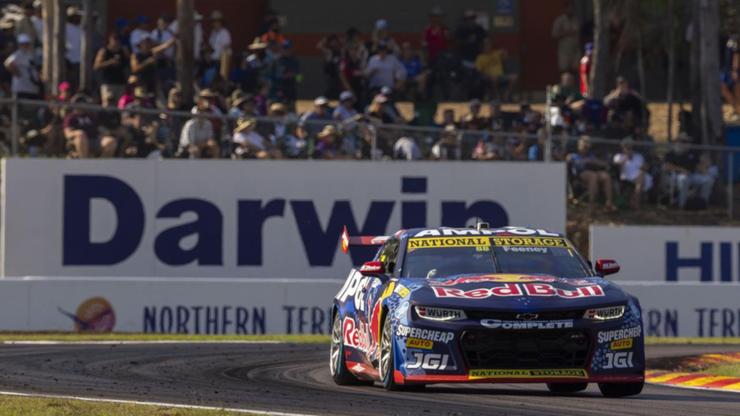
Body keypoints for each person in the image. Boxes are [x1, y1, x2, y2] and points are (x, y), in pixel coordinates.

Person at [663, 133, 715, 209]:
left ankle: (703, 204)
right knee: (684, 179)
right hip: (676, 176)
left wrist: (703, 168)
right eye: (682, 141)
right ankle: (682, 205)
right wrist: (681, 169)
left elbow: (698, 165)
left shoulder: (691, 153)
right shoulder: (671, 153)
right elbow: (666, 167)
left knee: (708, 180)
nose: (685, 144)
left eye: (687, 142)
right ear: (677, 142)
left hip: (691, 175)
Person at [567, 136, 615, 211]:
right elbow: (572, 164)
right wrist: (585, 161)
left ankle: (609, 203)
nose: (586, 146)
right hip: (580, 173)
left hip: (593, 171)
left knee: (606, 176)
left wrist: (596, 162)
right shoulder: (573, 155)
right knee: (593, 176)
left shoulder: (591, 155)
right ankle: (591, 203)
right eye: (584, 143)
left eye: (588, 143)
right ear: (579, 144)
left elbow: (602, 163)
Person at [63, 94, 117, 158]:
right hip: (79, 141)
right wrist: (78, 133)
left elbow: (98, 128)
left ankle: (100, 165)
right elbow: (67, 134)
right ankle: (85, 163)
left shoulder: (91, 116)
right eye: (81, 103)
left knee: (111, 141)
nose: (84, 105)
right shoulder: (71, 118)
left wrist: (105, 132)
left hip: (95, 139)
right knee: (81, 138)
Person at [612, 137, 653, 209]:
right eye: (626, 147)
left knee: (642, 175)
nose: (628, 149)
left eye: (630, 147)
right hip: (626, 176)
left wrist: (645, 167)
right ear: (623, 147)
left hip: (639, 176)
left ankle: (634, 199)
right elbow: (616, 166)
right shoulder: (618, 156)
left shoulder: (639, 156)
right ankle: (636, 201)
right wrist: (626, 157)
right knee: (642, 176)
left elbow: (643, 167)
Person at [94, 33, 130, 105]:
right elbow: (96, 66)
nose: (116, 42)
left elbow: (128, 64)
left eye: (117, 39)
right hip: (108, 82)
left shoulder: (123, 50)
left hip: (120, 82)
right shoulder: (104, 51)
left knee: (121, 104)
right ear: (110, 40)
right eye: (114, 39)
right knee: (108, 104)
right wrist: (109, 62)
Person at [4, 33, 40, 99]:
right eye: (24, 44)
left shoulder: (30, 54)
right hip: (21, 88)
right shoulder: (18, 54)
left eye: (27, 43)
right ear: (20, 44)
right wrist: (17, 73)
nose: (26, 45)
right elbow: (8, 63)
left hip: (31, 88)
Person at [551, 0, 580, 73]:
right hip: (564, 50)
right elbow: (554, 35)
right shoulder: (560, 20)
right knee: (564, 70)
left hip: (575, 49)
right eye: (569, 8)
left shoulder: (576, 19)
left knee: (575, 69)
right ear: (565, 9)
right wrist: (567, 33)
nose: (571, 10)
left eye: (573, 8)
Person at [317, 34, 343, 99]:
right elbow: (319, 46)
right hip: (330, 74)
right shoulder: (329, 51)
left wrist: (341, 40)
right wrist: (324, 40)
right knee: (330, 88)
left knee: (339, 89)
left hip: (339, 74)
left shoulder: (341, 51)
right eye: (332, 42)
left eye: (335, 42)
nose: (334, 44)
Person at [65, 6, 83, 89]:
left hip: (81, 59)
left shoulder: (81, 28)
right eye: (76, 16)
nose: (78, 18)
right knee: (70, 81)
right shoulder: (65, 27)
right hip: (70, 59)